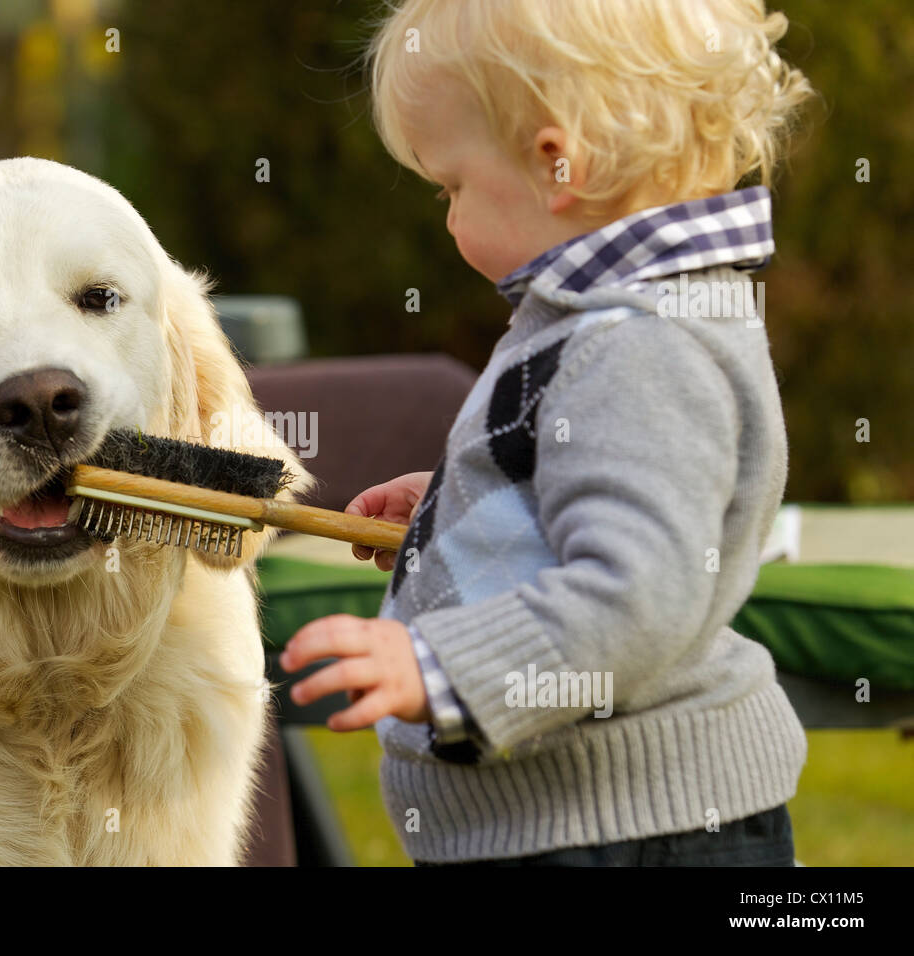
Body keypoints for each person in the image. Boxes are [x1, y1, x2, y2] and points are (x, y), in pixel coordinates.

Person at [280, 0, 815, 866]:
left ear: (557, 161)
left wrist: (440, 668)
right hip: (592, 820)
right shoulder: (607, 321)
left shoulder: (639, 344)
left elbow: (636, 594)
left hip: (630, 828)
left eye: (452, 186)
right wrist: (461, 505)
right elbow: (578, 483)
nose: (449, 219)